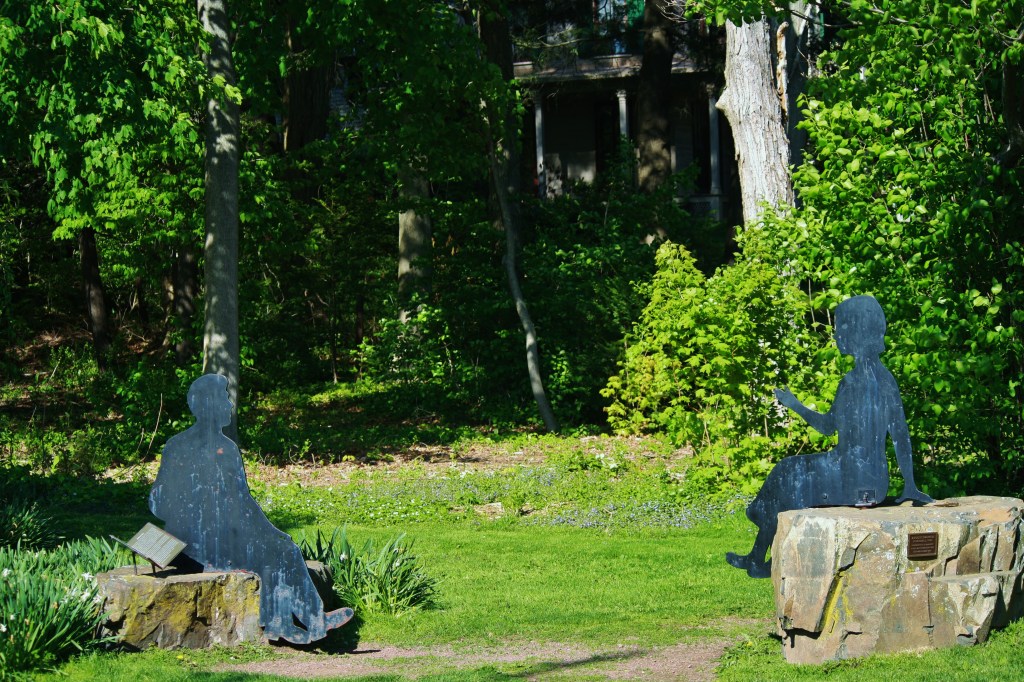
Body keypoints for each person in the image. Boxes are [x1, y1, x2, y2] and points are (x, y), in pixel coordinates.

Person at [726, 295, 933, 578]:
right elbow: (899, 434)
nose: (836, 335)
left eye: (841, 328)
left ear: (857, 332)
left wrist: (795, 405)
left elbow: (829, 427)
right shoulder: (882, 380)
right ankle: (757, 557)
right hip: (869, 478)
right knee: (789, 470)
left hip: (853, 477)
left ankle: (760, 557)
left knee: (788, 471)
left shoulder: (855, 382)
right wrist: (909, 485)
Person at [150, 374, 352, 643]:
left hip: (195, 544)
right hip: (204, 549)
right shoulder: (218, 448)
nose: (229, 405)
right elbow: (241, 505)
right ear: (207, 405)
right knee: (283, 550)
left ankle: (287, 624)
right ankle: (306, 622)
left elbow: (158, 503)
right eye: (224, 398)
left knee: (276, 548)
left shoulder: (182, 445)